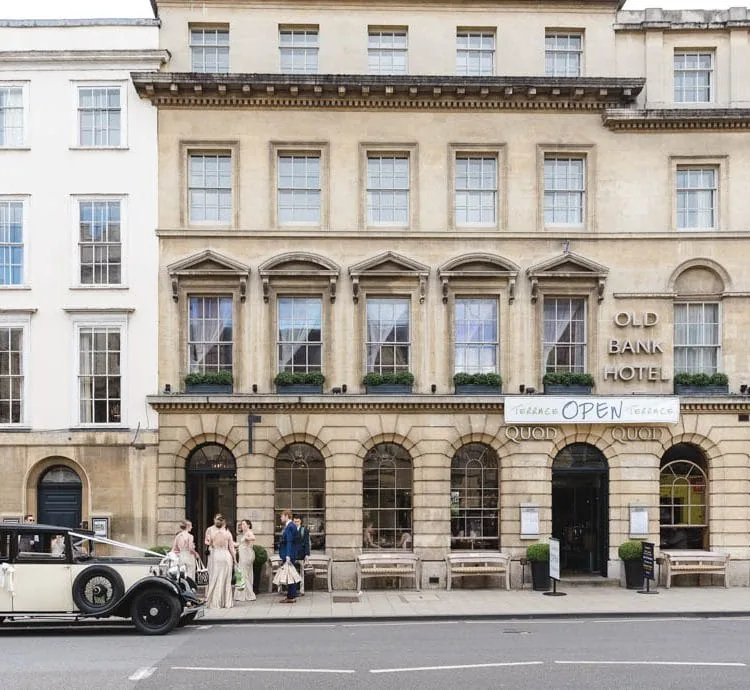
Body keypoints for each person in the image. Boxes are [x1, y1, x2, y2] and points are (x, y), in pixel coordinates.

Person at [205, 516, 235, 608]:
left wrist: (210, 543)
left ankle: (215, 602)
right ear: (224, 523)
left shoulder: (213, 534)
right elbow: (231, 548)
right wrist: (235, 560)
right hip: (226, 556)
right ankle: (227, 603)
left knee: (216, 578)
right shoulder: (227, 533)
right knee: (226, 579)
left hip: (216, 556)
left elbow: (209, 544)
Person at [278, 509, 299, 604]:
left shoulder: (290, 526)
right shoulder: (290, 526)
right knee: (290, 574)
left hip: (289, 554)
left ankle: (291, 596)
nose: (280, 518)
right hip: (290, 554)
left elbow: (290, 542)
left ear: (287, 516)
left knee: (290, 575)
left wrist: (288, 555)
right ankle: (291, 596)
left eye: (282, 516)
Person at [235, 519, 257, 602]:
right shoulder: (243, 533)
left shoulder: (248, 532)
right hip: (243, 555)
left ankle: (249, 594)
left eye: (244, 524)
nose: (242, 526)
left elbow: (253, 538)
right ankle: (241, 594)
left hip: (246, 555)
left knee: (244, 574)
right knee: (241, 573)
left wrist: (247, 538)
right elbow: (240, 544)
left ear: (248, 525)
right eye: (241, 524)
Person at [294, 515, 312, 595]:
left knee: (301, 573)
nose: (296, 523)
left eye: (297, 521)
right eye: (294, 521)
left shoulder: (304, 530)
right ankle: (294, 589)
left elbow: (307, 543)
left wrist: (307, 554)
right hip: (293, 554)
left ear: (300, 521)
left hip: (301, 554)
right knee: (293, 572)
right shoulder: (292, 529)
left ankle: (301, 590)